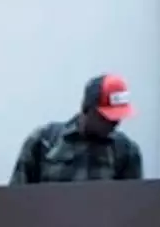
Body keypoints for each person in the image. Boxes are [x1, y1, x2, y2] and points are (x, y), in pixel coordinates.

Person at [10, 74, 143, 185]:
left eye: (118, 117)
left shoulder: (126, 151)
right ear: (87, 108)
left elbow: (132, 207)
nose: (114, 123)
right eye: (106, 118)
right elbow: (16, 200)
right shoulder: (44, 141)